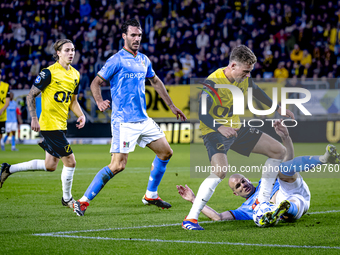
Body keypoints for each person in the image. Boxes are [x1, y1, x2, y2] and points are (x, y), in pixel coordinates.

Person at [72, 19, 186, 216]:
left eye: (139, 35)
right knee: (118, 166)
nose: (137, 39)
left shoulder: (143, 59)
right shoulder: (116, 60)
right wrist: (99, 101)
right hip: (124, 121)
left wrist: (172, 106)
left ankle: (151, 194)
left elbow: (156, 81)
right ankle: (82, 202)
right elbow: (95, 83)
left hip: (143, 119)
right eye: (133, 35)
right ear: (124, 36)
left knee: (166, 152)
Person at [182, 45, 295, 230]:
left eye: (250, 71)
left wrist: (277, 108)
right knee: (220, 171)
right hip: (214, 131)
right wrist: (219, 127)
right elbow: (202, 113)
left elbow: (257, 91)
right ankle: (191, 219)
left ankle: (262, 201)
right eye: (246, 71)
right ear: (233, 65)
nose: (248, 76)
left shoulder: (243, 78)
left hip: (236, 128)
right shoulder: (213, 83)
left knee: (279, 151)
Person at [177, 121, 340, 227]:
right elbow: (218, 217)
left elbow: (288, 160)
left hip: (292, 187)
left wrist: (286, 137)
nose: (243, 185)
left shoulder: (265, 183)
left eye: (242, 181)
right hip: (297, 202)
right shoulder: (244, 209)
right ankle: (283, 209)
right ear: (235, 193)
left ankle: (324, 159)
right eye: (238, 186)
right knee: (290, 204)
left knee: (282, 168)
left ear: (248, 179)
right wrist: (193, 199)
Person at [0, 39, 86, 209]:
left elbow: (73, 101)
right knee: (70, 161)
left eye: (73, 50)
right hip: (49, 125)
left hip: (61, 125)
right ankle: (67, 199)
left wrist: (81, 115)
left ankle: (7, 169)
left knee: (50, 166)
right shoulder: (49, 73)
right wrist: (33, 118)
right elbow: (30, 95)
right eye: (67, 50)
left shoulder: (76, 74)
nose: (71, 53)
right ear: (58, 53)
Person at [0, 70, 10, 151]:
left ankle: (1, 142)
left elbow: (7, 101)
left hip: (2, 115)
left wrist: (1, 110)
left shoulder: (6, 86)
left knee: (1, 132)